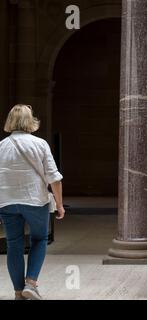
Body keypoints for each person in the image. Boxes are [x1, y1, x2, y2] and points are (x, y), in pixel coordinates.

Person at [0, 104, 65, 300]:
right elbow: (54, 178)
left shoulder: (1, 146)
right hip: (35, 201)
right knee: (39, 239)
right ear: (30, 121)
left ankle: (18, 292)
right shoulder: (40, 144)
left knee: (14, 245)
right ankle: (31, 283)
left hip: (7, 202)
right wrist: (60, 205)